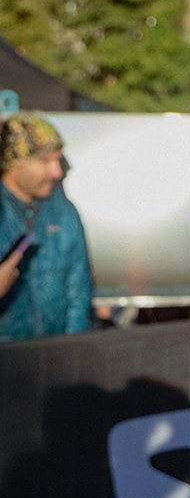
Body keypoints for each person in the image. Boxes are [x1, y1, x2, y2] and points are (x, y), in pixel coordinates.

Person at [0, 113, 93, 340]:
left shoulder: (63, 212)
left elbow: (78, 293)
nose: (57, 172)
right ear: (15, 163)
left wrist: (72, 350)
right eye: (45, 161)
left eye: (58, 160)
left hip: (53, 358)